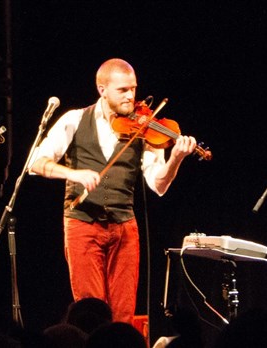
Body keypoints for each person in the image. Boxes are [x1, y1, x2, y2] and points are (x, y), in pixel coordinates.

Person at [30, 58, 197, 324]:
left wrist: (176, 158)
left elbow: (159, 184)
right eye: (123, 90)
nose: (131, 96)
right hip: (82, 224)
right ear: (102, 89)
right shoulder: (74, 119)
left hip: (124, 227)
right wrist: (73, 173)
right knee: (90, 312)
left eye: (133, 88)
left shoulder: (144, 127)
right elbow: (36, 163)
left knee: (123, 315)